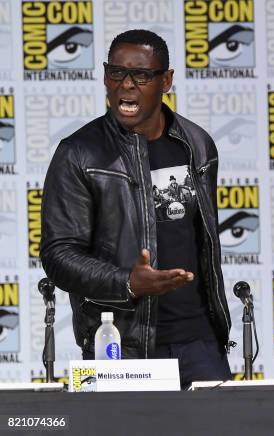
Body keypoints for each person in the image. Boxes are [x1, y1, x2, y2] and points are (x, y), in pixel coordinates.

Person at [40, 29, 231, 389]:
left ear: (166, 81)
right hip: (119, 343)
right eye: (116, 73)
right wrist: (128, 282)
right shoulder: (78, 154)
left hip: (199, 342)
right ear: (105, 77)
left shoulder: (198, 144)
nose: (126, 85)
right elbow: (58, 254)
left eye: (141, 75)